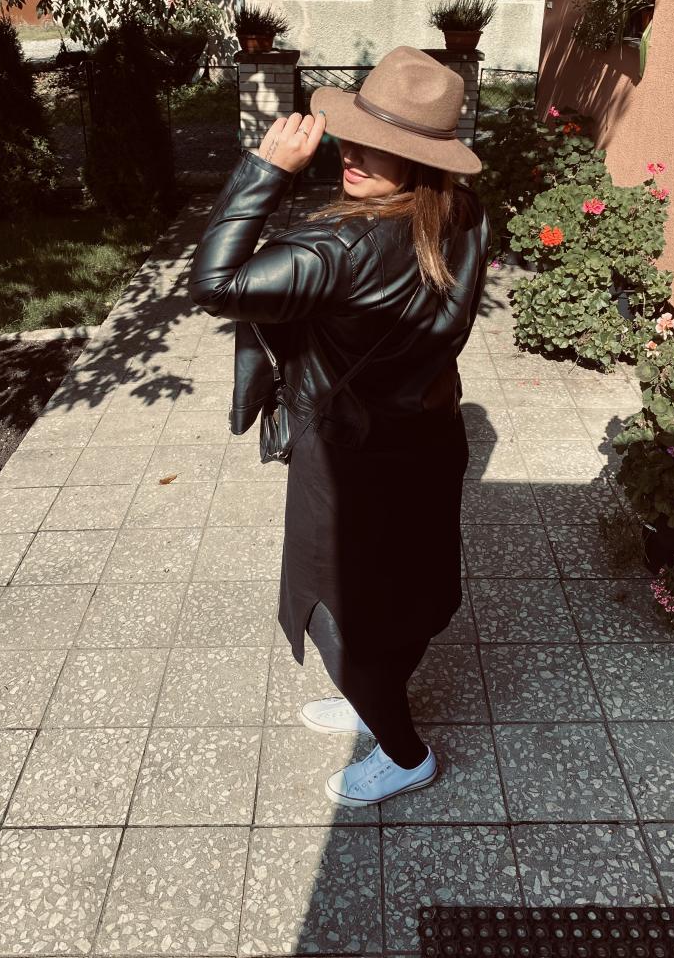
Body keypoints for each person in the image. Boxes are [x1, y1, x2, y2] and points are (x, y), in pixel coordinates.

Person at [189, 45, 490, 807]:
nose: (351, 155)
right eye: (353, 136)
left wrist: (265, 171)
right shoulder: (461, 211)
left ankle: (404, 751)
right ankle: (372, 699)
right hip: (427, 438)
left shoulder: (335, 246)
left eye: (380, 147)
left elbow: (216, 284)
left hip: (349, 459)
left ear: (421, 160)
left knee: (340, 618)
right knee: (406, 591)